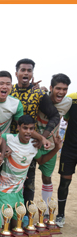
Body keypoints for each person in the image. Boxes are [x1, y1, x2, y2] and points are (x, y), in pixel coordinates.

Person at [0, 60, 60, 220]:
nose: (4, 87)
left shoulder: (15, 103)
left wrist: (42, 137)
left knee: (7, 180)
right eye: (1, 83)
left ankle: (10, 215)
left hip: (6, 146)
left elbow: (24, 124)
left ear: (11, 86)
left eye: (7, 84)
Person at [0, 115, 62, 227]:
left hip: (18, 193)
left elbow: (41, 160)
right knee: (3, 227)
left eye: (31, 129)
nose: (28, 132)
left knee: (17, 227)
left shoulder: (33, 145)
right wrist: (4, 149)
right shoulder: (8, 138)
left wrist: (56, 148)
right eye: (25, 128)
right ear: (18, 127)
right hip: (3, 191)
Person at [37, 74, 72, 220]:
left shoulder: (68, 102)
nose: (61, 92)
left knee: (47, 178)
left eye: (65, 89)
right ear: (51, 88)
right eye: (58, 88)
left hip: (50, 146)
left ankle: (45, 210)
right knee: (26, 178)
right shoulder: (40, 98)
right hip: (32, 143)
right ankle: (23, 211)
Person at [56, 90, 77, 227]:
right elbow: (66, 118)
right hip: (70, 148)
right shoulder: (71, 99)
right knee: (65, 182)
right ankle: (60, 215)